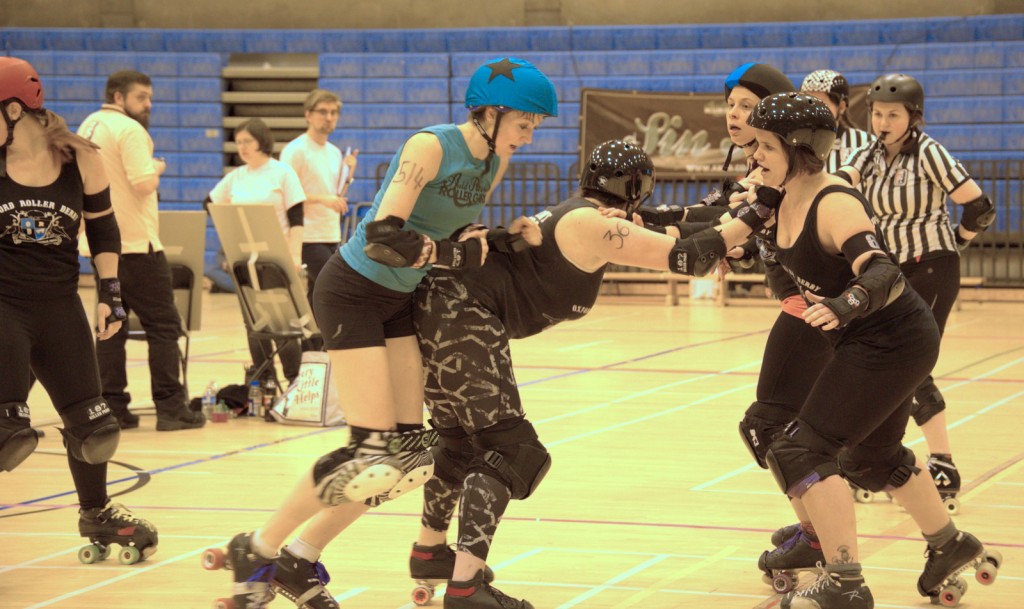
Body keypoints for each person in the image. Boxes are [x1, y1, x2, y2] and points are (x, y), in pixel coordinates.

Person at [204, 57, 558, 609]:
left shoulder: (494, 161)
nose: (529, 136)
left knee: (411, 457)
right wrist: (451, 251)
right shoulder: (432, 146)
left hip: (399, 299)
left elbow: (452, 230)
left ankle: (296, 559)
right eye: (523, 124)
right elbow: (381, 235)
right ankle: (259, 547)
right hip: (353, 291)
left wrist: (504, 236)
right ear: (489, 112)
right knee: (369, 453)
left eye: (535, 127)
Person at [410, 139, 783, 609]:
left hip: (441, 308)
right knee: (513, 451)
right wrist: (763, 208)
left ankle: (431, 552)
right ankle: (465, 588)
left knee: (460, 444)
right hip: (459, 311)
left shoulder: (589, 215)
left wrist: (746, 209)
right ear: (636, 189)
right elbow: (687, 257)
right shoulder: (592, 225)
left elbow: (681, 220)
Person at [750, 92, 998, 609]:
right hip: (881, 339)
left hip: (891, 339)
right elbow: (776, 269)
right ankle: (950, 545)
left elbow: (882, 270)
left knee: (802, 450)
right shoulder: (780, 198)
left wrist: (844, 305)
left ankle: (844, 582)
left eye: (764, 146)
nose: (755, 156)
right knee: (872, 458)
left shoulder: (832, 200)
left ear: (797, 150)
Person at [0, 56, 158, 562]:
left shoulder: (79, 158)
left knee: (96, 430)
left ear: (14, 110)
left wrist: (109, 293)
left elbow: (104, 229)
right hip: (3, 306)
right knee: (8, 435)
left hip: (59, 305)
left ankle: (97, 511)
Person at [837, 74, 994, 513]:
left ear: (913, 117)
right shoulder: (866, 154)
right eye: (877, 114)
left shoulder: (929, 153)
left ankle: (941, 465)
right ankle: (878, 461)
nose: (883, 122)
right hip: (890, 273)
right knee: (887, 365)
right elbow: (841, 185)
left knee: (911, 364)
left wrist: (956, 241)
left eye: (893, 114)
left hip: (932, 267)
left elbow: (980, 207)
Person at [77, 70, 204, 431]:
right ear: (119, 97)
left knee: (111, 326)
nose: (148, 104)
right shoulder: (130, 130)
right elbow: (143, 182)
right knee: (164, 326)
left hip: (101, 248)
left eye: (149, 97)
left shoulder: (89, 124)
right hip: (135, 244)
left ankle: (113, 406)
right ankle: (171, 408)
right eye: (141, 97)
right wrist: (157, 167)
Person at [208, 117, 306, 385]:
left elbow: (297, 217)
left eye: (247, 141)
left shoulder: (282, 172)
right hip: (244, 262)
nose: (242, 147)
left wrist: (295, 255)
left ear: (262, 141)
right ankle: (265, 382)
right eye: (238, 142)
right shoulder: (235, 177)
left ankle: (294, 380)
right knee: (254, 324)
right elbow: (211, 203)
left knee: (282, 323)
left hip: (276, 260)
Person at [279, 89, 359, 317]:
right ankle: (314, 342)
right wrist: (323, 200)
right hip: (306, 236)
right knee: (334, 286)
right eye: (323, 112)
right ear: (308, 114)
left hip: (330, 232)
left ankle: (313, 344)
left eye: (334, 112)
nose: (329, 117)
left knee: (317, 292)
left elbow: (335, 195)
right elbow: (287, 194)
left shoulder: (334, 152)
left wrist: (349, 174)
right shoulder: (295, 150)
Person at [799, 69, 871, 174]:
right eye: (807, 103)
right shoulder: (794, 142)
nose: (812, 111)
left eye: (821, 105)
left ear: (841, 107)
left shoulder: (865, 143)